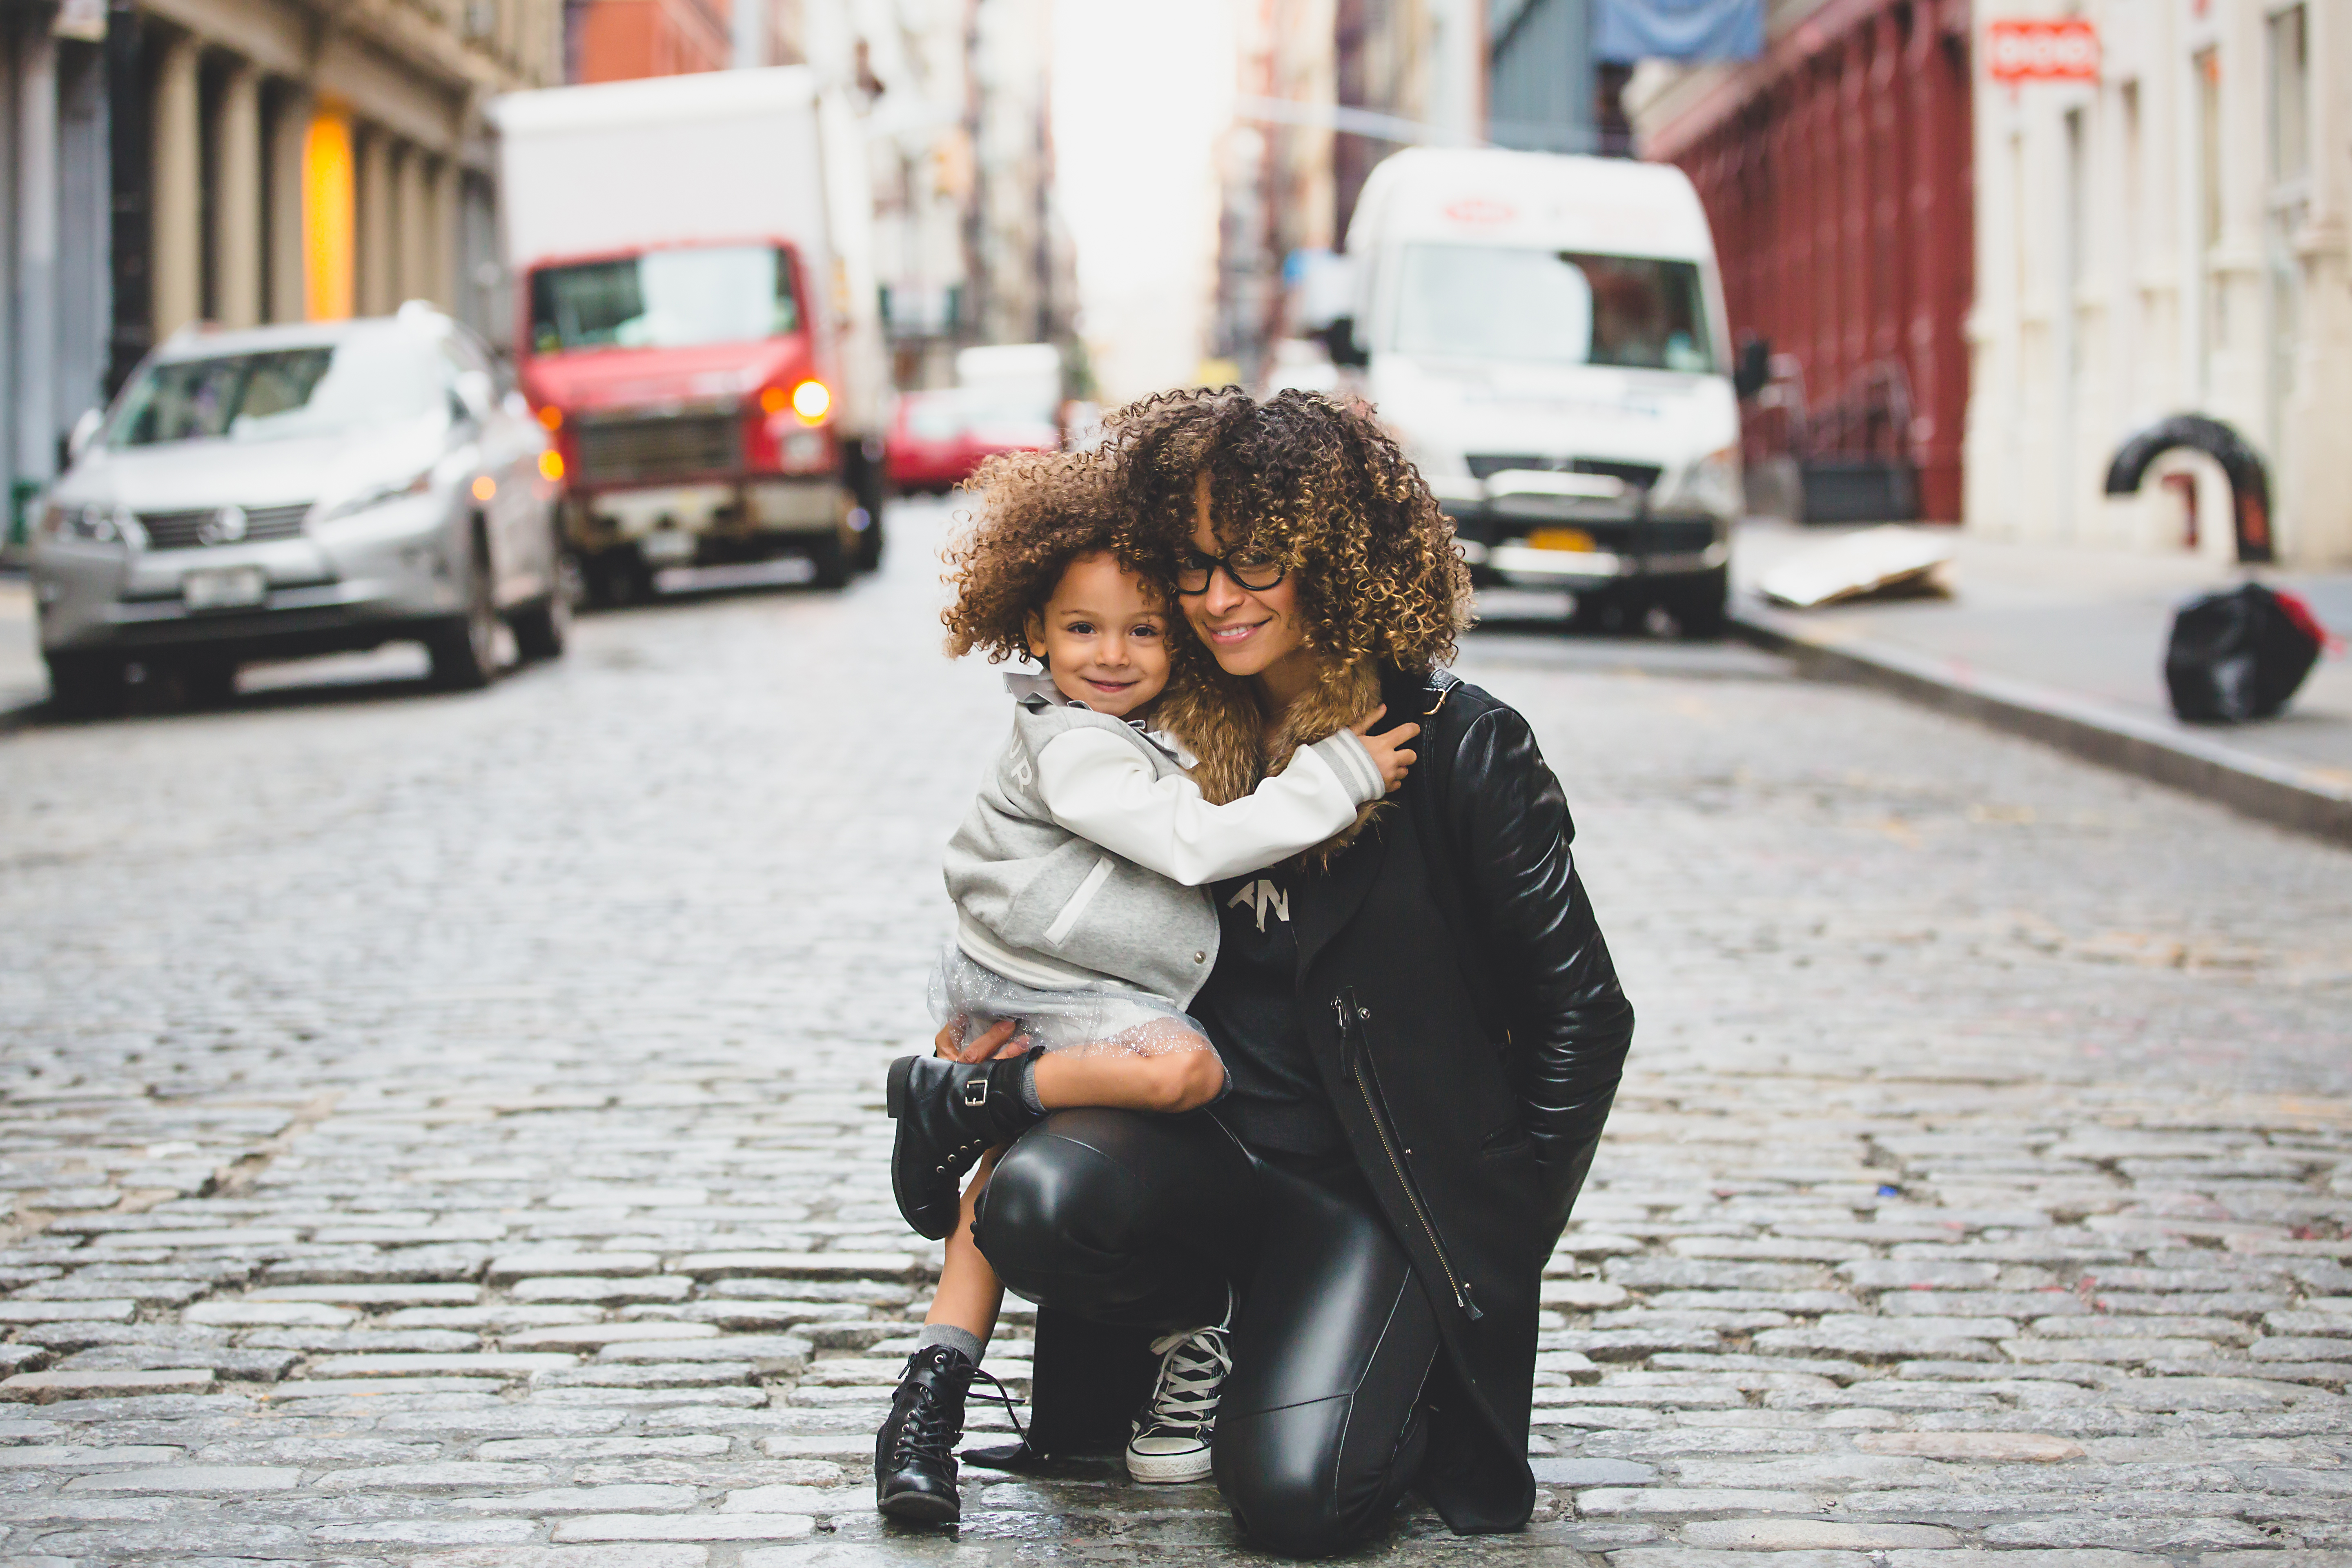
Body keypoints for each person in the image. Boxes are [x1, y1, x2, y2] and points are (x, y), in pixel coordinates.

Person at [964, 388, 1636, 1558]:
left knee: (1296, 1503)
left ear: (1337, 558)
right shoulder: (1164, 731)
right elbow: (1041, 905)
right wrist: (989, 1040)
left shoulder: (1461, 748)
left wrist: (1487, 1245)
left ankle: (1371, 1358)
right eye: (1195, 566)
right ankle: (1204, 1335)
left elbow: (1585, 1013)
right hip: (1205, 1158)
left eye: (1258, 563)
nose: (1219, 599)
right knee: (1036, 1205)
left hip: (1370, 1193)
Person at [875, 446, 1421, 1524]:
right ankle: (979, 1104)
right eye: (1083, 630)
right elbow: (1189, 844)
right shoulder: (1073, 746)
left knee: (999, 1171)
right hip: (1059, 984)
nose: (1114, 654)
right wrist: (1344, 774)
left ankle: (926, 1393)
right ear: (1034, 631)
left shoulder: (1132, 729)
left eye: (1143, 629)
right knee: (1183, 1068)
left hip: (1044, 981)